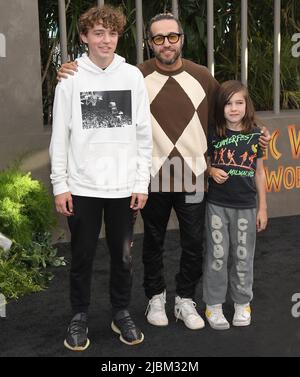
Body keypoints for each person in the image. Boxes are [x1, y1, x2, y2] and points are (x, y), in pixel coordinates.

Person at [57, 12, 270, 331]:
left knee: (194, 244)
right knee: (152, 242)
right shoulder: (133, 75)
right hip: (150, 177)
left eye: (173, 37)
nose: (166, 44)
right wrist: (71, 67)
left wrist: (256, 133)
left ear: (182, 38)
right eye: (158, 38)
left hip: (194, 176)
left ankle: (185, 299)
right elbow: (101, 89)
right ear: (149, 42)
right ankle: (155, 296)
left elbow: (230, 110)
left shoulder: (202, 76)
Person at [50, 5, 152, 351]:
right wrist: (59, 184)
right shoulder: (70, 78)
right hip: (81, 188)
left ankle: (121, 311)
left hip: (124, 188)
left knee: (122, 257)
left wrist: (141, 182)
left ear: (117, 36)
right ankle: (79, 315)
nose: (105, 40)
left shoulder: (132, 77)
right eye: (97, 33)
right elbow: (59, 137)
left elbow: (143, 134)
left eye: (111, 33)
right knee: (81, 257)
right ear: (84, 37)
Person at [203, 80, 268, 330]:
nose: (233, 108)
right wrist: (210, 170)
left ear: (246, 105)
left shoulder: (255, 135)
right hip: (217, 205)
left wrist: (263, 207)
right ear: (220, 107)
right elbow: (203, 162)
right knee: (217, 256)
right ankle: (214, 304)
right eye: (228, 103)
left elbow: (260, 172)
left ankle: (242, 302)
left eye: (239, 102)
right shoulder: (213, 132)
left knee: (243, 256)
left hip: (246, 206)